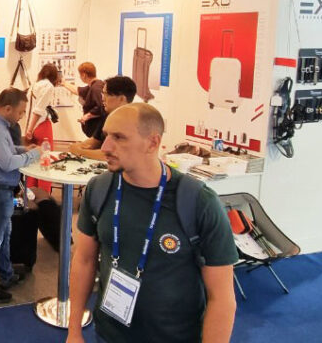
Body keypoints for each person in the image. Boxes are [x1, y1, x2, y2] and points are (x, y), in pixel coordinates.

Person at [66, 104, 237, 342]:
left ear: (152, 143)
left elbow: (222, 297)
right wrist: (74, 330)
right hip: (108, 334)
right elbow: (84, 260)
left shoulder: (198, 202)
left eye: (119, 137)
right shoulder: (99, 189)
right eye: (106, 136)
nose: (105, 147)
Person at [0, 88, 43, 303]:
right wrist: (33, 154)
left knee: (3, 235)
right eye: (21, 112)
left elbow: (5, 150)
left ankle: (6, 274)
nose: (22, 116)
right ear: (8, 109)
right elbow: (7, 163)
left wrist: (23, 150)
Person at [68, 75, 136, 161]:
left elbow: (110, 155)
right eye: (102, 93)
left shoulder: (130, 122)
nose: (102, 98)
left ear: (122, 98)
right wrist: (77, 146)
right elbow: (95, 140)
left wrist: (80, 151)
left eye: (106, 94)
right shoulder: (108, 115)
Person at [62, 62, 105, 138]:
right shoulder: (94, 85)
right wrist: (64, 83)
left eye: (80, 75)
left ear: (84, 75)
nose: (80, 77)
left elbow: (101, 107)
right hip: (95, 131)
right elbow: (78, 91)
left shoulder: (96, 88)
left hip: (97, 130)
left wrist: (87, 116)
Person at [25, 63, 63, 149]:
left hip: (32, 125)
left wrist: (29, 129)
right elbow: (39, 109)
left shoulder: (34, 85)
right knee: (47, 154)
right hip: (42, 125)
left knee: (35, 154)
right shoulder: (49, 86)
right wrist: (30, 129)